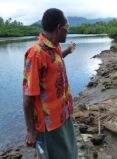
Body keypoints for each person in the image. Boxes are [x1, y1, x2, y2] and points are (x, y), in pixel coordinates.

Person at [23, 8, 77, 159]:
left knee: (69, 153)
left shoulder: (54, 47)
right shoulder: (36, 55)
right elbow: (28, 96)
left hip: (63, 113)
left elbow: (55, 62)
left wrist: (69, 50)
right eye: (67, 28)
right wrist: (30, 130)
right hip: (48, 123)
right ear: (59, 28)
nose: (67, 31)